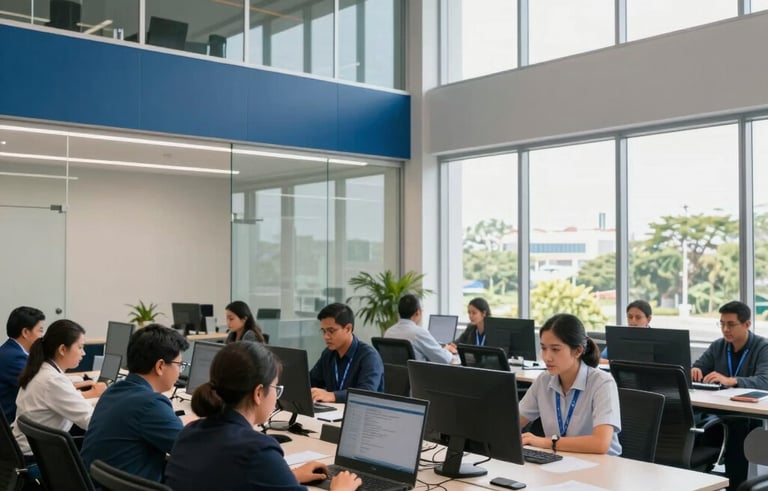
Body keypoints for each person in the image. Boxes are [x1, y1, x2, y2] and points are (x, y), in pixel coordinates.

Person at [165, 341, 362, 491]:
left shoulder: (189, 433)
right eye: (276, 387)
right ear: (259, 393)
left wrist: (289, 476)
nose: (276, 394)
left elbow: (236, 479)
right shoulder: (257, 450)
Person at [80, 324, 190, 482]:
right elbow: (190, 451)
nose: (180, 372)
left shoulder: (114, 390)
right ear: (160, 366)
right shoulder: (151, 404)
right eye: (179, 365)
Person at [691, 300, 768, 491]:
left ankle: (737, 485)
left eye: (731, 324)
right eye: (722, 323)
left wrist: (733, 380)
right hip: (718, 411)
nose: (725, 329)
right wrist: (695, 370)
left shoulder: (762, 347)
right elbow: (700, 365)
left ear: (747, 324)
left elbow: (765, 380)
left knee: (739, 427)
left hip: (747, 414)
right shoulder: (719, 346)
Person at [519, 313, 621, 456]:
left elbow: (600, 444)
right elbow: (513, 422)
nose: (547, 357)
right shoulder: (544, 381)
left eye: (555, 349)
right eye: (543, 348)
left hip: (600, 466)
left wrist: (545, 442)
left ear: (578, 351)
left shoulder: (602, 383)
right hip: (560, 459)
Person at [12, 319, 104, 456]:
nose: (83, 353)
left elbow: (72, 401)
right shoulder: (53, 380)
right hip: (36, 458)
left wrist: (98, 402)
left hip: (26, 451)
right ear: (62, 349)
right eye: (80, 347)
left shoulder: (42, 370)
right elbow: (90, 421)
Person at [309, 303, 384, 403]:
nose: (326, 336)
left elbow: (367, 393)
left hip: (362, 414)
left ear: (348, 329)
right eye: (323, 331)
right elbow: (311, 381)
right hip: (334, 412)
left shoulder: (368, 356)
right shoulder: (328, 354)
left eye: (331, 331)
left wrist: (333, 396)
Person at [0, 306, 45, 424]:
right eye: (40, 330)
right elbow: (42, 388)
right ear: (25, 332)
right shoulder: (14, 357)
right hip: (12, 427)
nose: (43, 336)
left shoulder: (10, 351)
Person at [383, 294, 453, 363]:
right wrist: (447, 349)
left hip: (393, 374)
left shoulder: (388, 332)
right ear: (418, 312)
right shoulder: (418, 333)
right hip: (419, 374)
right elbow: (444, 359)